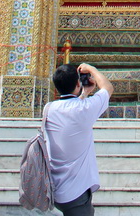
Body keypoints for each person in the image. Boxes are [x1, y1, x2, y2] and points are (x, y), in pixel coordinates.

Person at [44, 61, 113, 215]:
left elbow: (72, 110)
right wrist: (92, 68)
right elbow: (108, 88)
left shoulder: (49, 109)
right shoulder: (84, 109)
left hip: (55, 187)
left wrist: (84, 93)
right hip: (77, 191)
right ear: (77, 83)